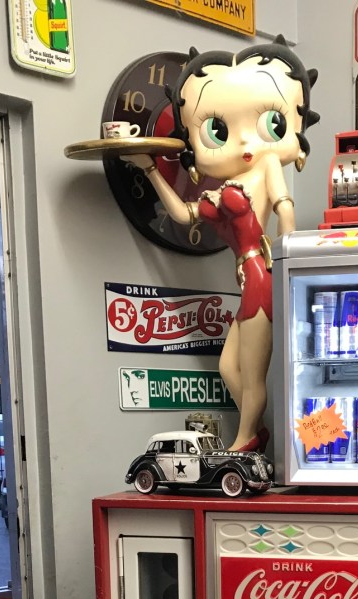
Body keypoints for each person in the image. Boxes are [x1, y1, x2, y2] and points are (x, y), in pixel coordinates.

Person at [126, 37, 318, 451]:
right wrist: (151, 171)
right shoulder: (225, 187)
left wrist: (289, 272)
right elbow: (182, 215)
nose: (246, 142)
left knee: (250, 374)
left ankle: (246, 439)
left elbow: (285, 213)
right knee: (228, 368)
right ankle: (256, 430)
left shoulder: (267, 164)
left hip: (262, 277)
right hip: (247, 280)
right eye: (218, 130)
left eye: (269, 123)